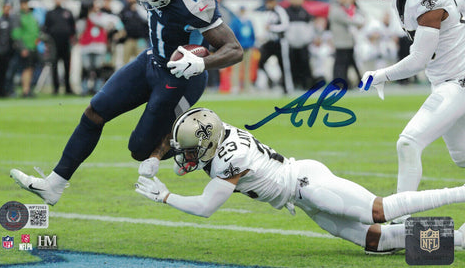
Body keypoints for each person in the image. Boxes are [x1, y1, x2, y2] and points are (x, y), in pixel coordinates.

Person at [10, 0, 243, 206]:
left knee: (139, 150)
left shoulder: (196, 2)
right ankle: (55, 184)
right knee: (95, 112)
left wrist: (200, 63)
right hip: (152, 61)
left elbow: (234, 49)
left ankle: (200, 141)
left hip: (180, 75)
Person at [135, 107, 465, 254]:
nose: (185, 157)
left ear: (206, 144)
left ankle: (461, 192)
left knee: (378, 210)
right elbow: (181, 138)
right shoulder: (218, 133)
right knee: (375, 241)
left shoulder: (229, 158)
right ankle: (458, 239)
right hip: (301, 198)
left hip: (308, 184)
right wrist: (154, 159)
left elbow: (206, 207)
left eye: (191, 151)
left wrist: (164, 196)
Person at [359, 0, 465, 198]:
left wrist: (380, 75)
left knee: (408, 142)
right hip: (446, 81)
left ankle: (399, 219)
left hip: (458, 82)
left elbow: (418, 59)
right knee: (462, 157)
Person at [257, 0, 293, 94]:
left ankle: (287, 87)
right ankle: (271, 81)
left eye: (271, 1)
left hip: (280, 42)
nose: (269, 3)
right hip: (269, 42)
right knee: (261, 62)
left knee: (283, 65)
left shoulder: (280, 11)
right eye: (268, 1)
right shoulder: (266, 12)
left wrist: (272, 28)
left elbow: (285, 26)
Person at [43, 0, 77, 95]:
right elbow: (46, 29)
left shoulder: (67, 12)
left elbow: (72, 28)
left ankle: (67, 87)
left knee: (67, 65)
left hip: (66, 42)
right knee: (54, 65)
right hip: (54, 43)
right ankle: (56, 88)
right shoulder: (50, 13)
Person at [329, 0, 364, 88]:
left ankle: (345, 82)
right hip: (341, 41)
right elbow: (346, 20)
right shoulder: (335, 9)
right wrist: (359, 23)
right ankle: (339, 83)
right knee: (340, 64)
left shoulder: (344, 8)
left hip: (347, 41)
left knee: (346, 63)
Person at [11, 0, 40, 98]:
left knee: (31, 68)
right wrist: (22, 47)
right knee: (26, 69)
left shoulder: (31, 16)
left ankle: (28, 88)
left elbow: (36, 30)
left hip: (33, 46)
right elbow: (16, 34)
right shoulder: (18, 17)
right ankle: (25, 90)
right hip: (25, 47)